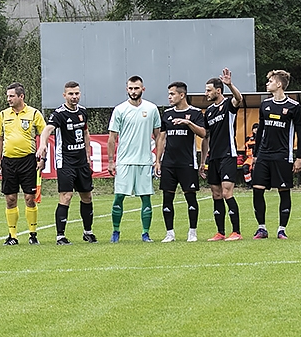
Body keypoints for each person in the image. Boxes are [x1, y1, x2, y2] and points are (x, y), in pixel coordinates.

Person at [36, 81, 96, 245]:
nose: (74, 97)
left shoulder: (83, 111)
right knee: (66, 196)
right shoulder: (59, 114)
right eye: (71, 94)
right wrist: (42, 145)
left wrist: (88, 155)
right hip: (65, 161)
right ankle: (60, 236)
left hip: (81, 161)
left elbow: (86, 132)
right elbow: (47, 130)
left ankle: (88, 232)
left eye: (76, 93)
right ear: (64, 95)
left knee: (87, 196)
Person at [108, 75, 162, 242]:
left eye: (136, 88)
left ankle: (145, 233)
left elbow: (159, 136)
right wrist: (111, 161)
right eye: (130, 88)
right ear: (127, 90)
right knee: (119, 196)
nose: (133, 91)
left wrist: (157, 160)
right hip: (124, 161)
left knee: (146, 197)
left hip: (145, 161)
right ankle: (116, 231)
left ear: (142, 89)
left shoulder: (152, 109)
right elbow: (112, 137)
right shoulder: (120, 110)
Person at [251, 69, 301, 239]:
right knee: (257, 190)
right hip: (264, 155)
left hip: (283, 155)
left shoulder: (294, 107)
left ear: (279, 84)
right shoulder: (265, 105)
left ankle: (281, 229)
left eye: (270, 81)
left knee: (283, 190)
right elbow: (260, 131)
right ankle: (261, 228)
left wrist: (298, 157)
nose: (267, 84)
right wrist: (255, 154)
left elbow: (300, 133)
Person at [0, 82, 46, 245]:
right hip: (9, 162)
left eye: (12, 96)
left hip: (28, 160)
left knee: (30, 198)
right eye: (7, 96)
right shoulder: (3, 115)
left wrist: (42, 158)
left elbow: (44, 136)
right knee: (10, 198)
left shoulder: (34, 114)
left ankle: (32, 234)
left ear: (21, 96)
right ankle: (12, 235)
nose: (8, 99)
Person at [155, 81, 206, 242]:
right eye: (169, 94)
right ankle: (169, 233)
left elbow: (203, 133)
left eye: (172, 94)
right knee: (167, 197)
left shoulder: (196, 113)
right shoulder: (167, 114)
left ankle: (192, 232)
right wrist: (158, 160)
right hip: (169, 163)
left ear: (182, 95)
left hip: (187, 163)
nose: (169, 97)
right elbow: (161, 138)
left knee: (190, 197)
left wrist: (188, 123)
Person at [200, 69, 244, 241]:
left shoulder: (228, 106)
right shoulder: (209, 111)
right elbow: (206, 137)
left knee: (227, 193)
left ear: (218, 90)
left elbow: (239, 99)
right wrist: (203, 161)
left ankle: (236, 232)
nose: (206, 93)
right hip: (214, 158)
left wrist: (230, 84)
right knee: (216, 194)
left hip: (228, 154)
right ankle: (220, 232)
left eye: (208, 90)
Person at [241, 123, 258, 187]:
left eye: (257, 128)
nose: (256, 129)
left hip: (258, 157)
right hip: (249, 158)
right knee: (245, 168)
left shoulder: (262, 137)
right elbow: (248, 145)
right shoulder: (248, 138)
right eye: (254, 128)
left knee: (255, 169)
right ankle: (249, 183)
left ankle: (256, 183)